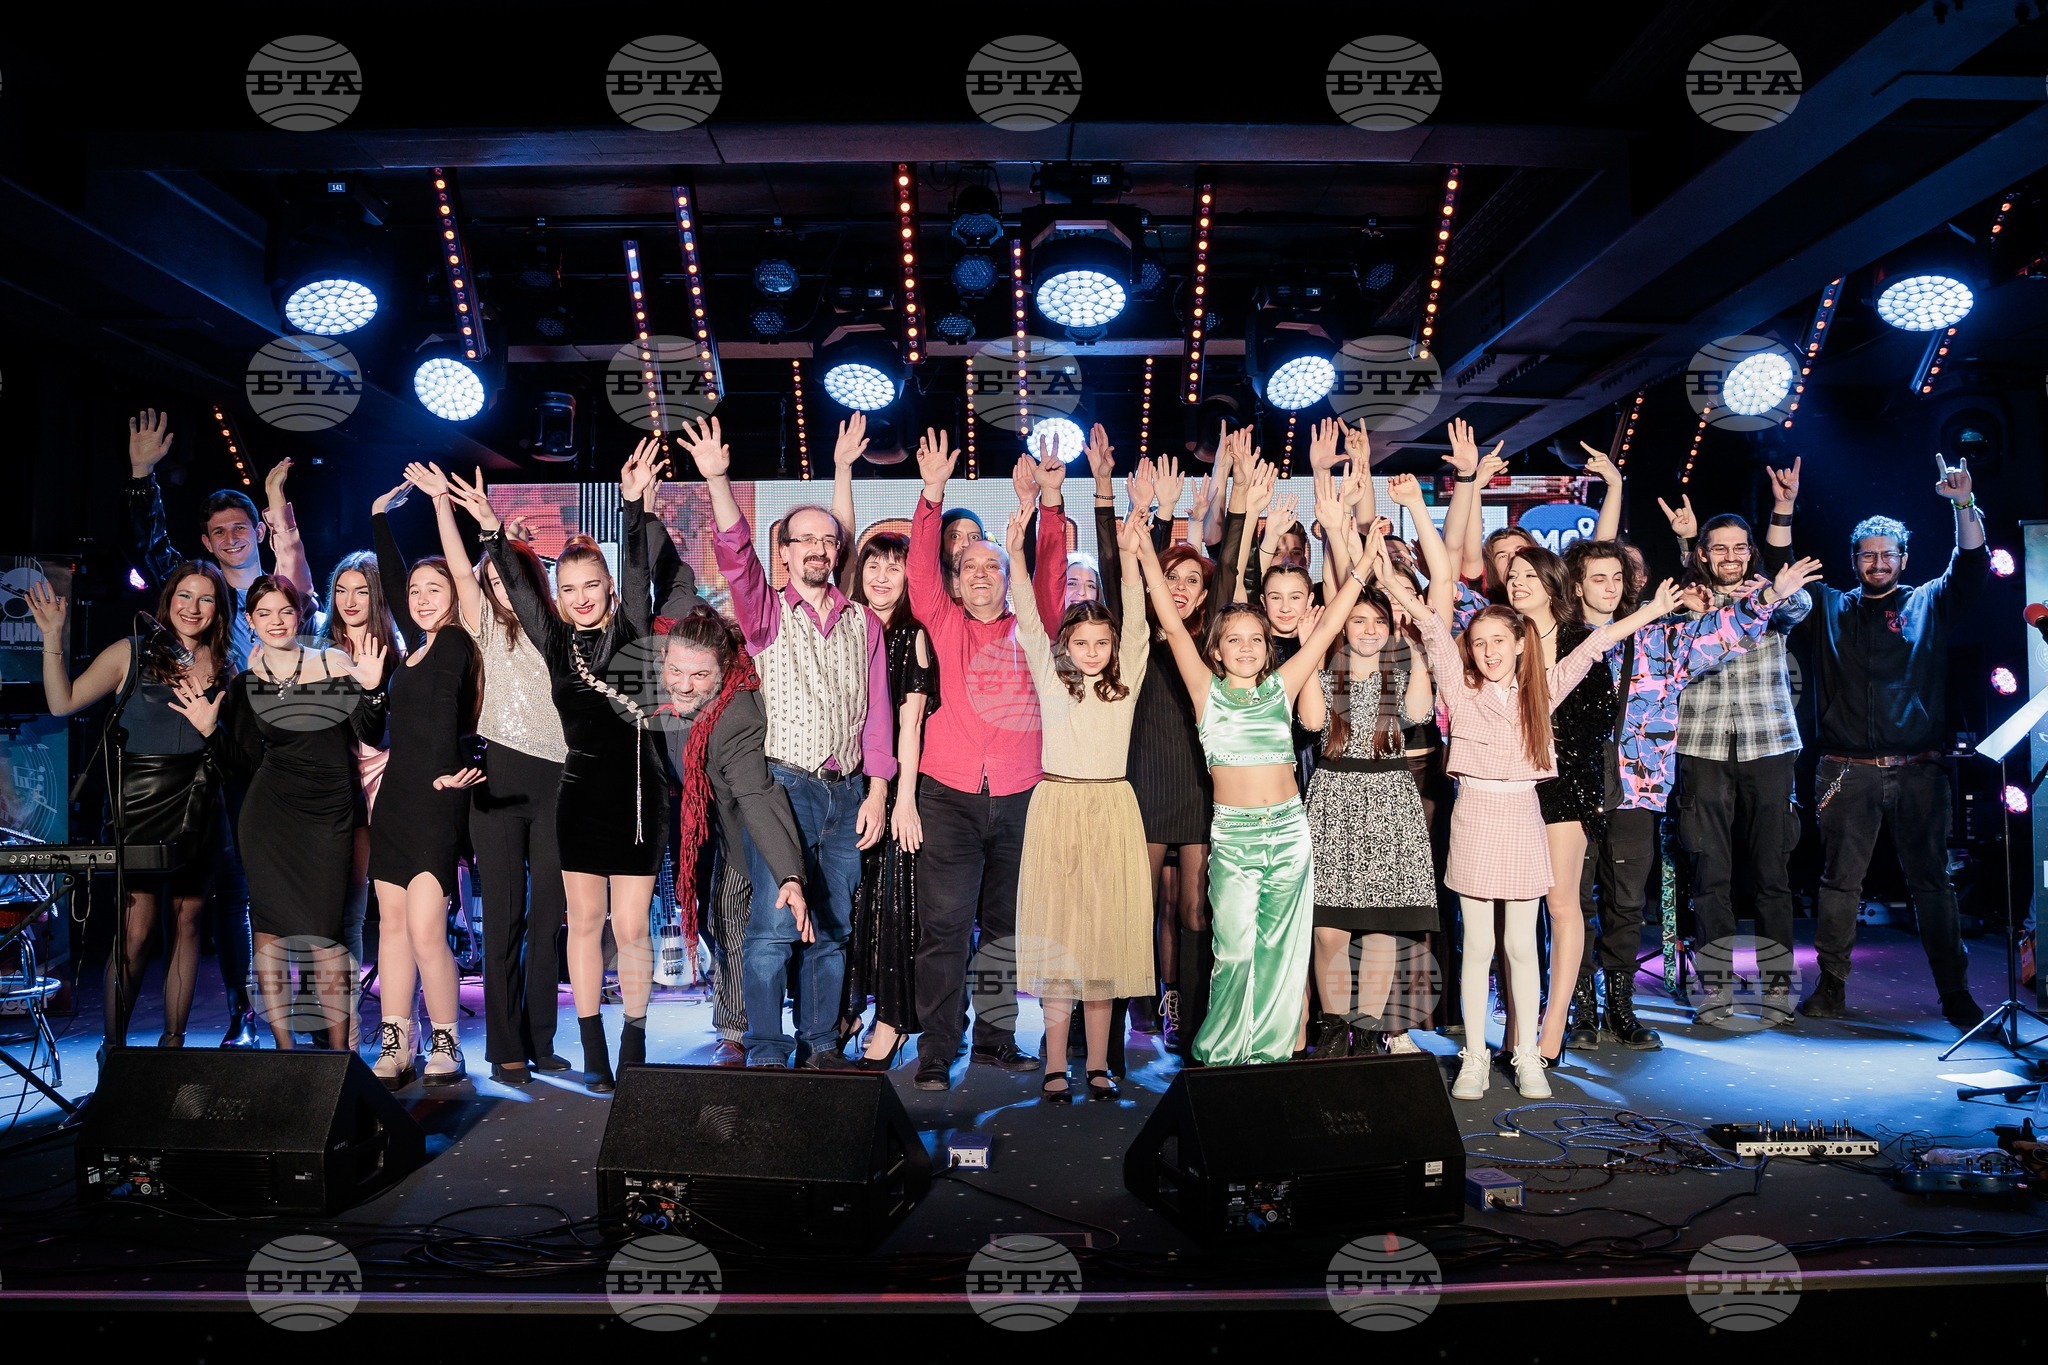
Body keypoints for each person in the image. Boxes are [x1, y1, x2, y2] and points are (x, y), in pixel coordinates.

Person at [1380, 547, 1681, 1101]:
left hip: (1522, 817)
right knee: (1478, 948)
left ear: (1521, 644)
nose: (1489, 651)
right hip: (1474, 818)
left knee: (1521, 945)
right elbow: (1430, 625)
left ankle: (1526, 1054)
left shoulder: (1542, 690)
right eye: (1479, 643)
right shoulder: (1460, 689)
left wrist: (1651, 611)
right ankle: (1474, 1056)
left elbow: (1596, 644)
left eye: (1500, 641)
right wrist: (1389, 583)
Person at [450, 445, 668, 1092]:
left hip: (636, 797)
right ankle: (595, 1052)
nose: (580, 597)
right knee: (586, 922)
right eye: (568, 589)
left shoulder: (630, 627)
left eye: (590, 585)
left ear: (607, 587)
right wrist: (490, 530)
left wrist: (633, 505)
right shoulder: (551, 640)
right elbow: (519, 589)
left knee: (631, 927)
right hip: (577, 796)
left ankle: (634, 1041)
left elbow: (638, 570)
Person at [681, 415, 895, 1070]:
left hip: (847, 792)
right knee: (774, 929)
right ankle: (768, 1050)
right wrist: (718, 480)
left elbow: (878, 715)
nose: (818, 550)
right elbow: (735, 554)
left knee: (831, 930)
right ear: (785, 553)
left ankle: (821, 1044)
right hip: (783, 788)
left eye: (827, 540)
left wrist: (878, 791)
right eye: (804, 540)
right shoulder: (766, 612)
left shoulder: (863, 622)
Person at [1132, 497, 1371, 1067]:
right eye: (1233, 639)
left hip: (1289, 834)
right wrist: (1142, 556)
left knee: (1281, 955)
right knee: (1235, 950)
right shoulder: (1205, 693)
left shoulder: (1281, 686)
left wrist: (1363, 564)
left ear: (1267, 649)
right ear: (1216, 649)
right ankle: (1222, 1055)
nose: (1245, 647)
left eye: (1255, 640)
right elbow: (1171, 622)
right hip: (1235, 839)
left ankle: (1269, 1057)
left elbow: (1328, 626)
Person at [1566, 536, 1821, 1045]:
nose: (1610, 588)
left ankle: (1620, 1009)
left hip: (1636, 786)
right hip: (1570, 787)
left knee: (1626, 904)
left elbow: (1723, 631)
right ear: (1576, 587)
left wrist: (1769, 596)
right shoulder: (1556, 639)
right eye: (1598, 579)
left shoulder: (1660, 639)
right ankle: (1580, 1008)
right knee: (1573, 903)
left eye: (1617, 578)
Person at [124, 410, 315, 1048]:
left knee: (295, 891)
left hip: (288, 762)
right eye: (218, 532)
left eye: (240, 527)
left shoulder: (284, 591)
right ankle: (244, 1013)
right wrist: (142, 476)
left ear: (257, 531)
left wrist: (277, 502)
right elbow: (152, 550)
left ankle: (308, 1017)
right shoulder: (204, 596)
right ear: (205, 543)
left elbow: (299, 571)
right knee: (233, 894)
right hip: (221, 765)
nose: (231, 539)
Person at [1800, 457, 1990, 1028]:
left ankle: (1954, 993)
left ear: (1904, 560)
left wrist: (1963, 505)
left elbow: (1972, 562)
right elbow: (1781, 576)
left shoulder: (1928, 602)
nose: (1878, 563)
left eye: (1888, 555)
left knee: (1933, 883)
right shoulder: (1830, 607)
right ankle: (1831, 986)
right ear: (1853, 560)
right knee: (1839, 883)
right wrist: (1783, 511)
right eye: (1868, 555)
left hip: (1918, 770)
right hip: (1845, 769)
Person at [166, 577, 387, 1050]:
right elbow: (244, 762)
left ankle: (339, 1055)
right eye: (264, 613)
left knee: (327, 933)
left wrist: (371, 689)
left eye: (285, 611)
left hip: (330, 814)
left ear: (299, 614)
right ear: (250, 621)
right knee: (268, 932)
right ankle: (284, 1051)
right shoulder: (246, 684)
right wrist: (210, 732)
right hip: (270, 818)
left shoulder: (333, 662)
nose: (276, 621)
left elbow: (372, 731)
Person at [411, 462, 574, 1086]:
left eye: (512, 577)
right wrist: (441, 506)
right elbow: (460, 571)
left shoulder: (557, 632)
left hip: (557, 784)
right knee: (503, 916)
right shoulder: (481, 626)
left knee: (547, 920)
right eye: (494, 578)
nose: (501, 587)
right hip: (498, 781)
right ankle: (505, 1046)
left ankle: (541, 1039)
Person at [30, 565, 231, 1054]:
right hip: (139, 802)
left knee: (187, 921)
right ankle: (114, 1053)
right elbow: (62, 703)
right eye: (184, 595)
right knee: (136, 930)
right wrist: (53, 637)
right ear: (168, 599)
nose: (193, 607)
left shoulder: (228, 662)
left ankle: (172, 1048)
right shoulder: (131, 652)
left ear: (218, 609)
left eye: (206, 599)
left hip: (201, 799)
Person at [1659, 467, 1821, 1031]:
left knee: (1772, 874)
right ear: (1703, 554)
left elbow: (1796, 607)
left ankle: (1777, 991)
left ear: (1751, 552)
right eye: (1718, 549)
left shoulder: (1773, 597)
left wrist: (1778, 568)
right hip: (1702, 745)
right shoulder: (1688, 600)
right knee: (1710, 874)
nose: (1730, 557)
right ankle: (1717, 991)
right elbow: (1678, 621)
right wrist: (1686, 548)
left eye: (1739, 548)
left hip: (1768, 743)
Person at [906, 430, 1043, 1091]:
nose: (981, 574)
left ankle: (995, 1040)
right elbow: (919, 572)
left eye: (994, 566)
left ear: (1010, 581)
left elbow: (1048, 573)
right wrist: (931, 493)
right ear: (955, 584)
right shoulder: (944, 622)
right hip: (949, 797)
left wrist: (1041, 506)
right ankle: (937, 1048)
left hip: (1019, 796)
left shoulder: (1034, 631)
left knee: (1004, 928)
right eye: (969, 568)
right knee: (944, 928)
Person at [1006, 505, 1154, 1100]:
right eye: (1082, 642)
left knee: (1102, 944)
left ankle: (1096, 1065)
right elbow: (1025, 616)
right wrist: (1016, 556)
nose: (1092, 651)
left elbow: (1139, 622)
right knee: (1060, 944)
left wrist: (1132, 558)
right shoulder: (1051, 675)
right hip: (1058, 809)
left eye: (1102, 642)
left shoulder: (1127, 678)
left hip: (1112, 810)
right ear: (1065, 644)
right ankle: (1054, 1066)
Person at [361, 482, 485, 1089]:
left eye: (434, 589)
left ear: (454, 596)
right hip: (394, 803)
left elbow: (446, 713)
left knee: (428, 931)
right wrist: (379, 516)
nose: (421, 597)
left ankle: (446, 1041)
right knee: (390, 928)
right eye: (415, 591)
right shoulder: (408, 652)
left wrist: (456, 769)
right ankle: (396, 1041)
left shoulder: (458, 642)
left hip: (438, 799)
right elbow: (391, 579)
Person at [655, 609, 810, 1058]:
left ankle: (742, 1031)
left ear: (722, 670)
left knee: (745, 923)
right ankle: (736, 1024)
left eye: (700, 675)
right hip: (710, 826)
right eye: (676, 671)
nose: (684, 685)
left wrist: (788, 874)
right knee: (720, 922)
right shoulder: (667, 688)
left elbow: (755, 795)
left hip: (755, 829)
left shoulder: (735, 714)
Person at [837, 533, 936, 1071]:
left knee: (894, 906)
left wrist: (905, 800)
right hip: (845, 785)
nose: (881, 577)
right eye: (873, 565)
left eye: (894, 568)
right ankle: (848, 1011)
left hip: (895, 787)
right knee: (852, 905)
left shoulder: (912, 634)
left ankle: (892, 1022)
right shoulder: (847, 626)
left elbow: (911, 724)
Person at [312, 544, 402, 1047]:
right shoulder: (318, 648)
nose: (349, 600)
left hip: (383, 782)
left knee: (388, 913)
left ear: (377, 595)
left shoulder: (394, 648)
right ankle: (341, 1034)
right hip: (334, 785)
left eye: (361, 591)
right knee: (340, 910)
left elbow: (388, 729)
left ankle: (400, 1032)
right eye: (341, 590)